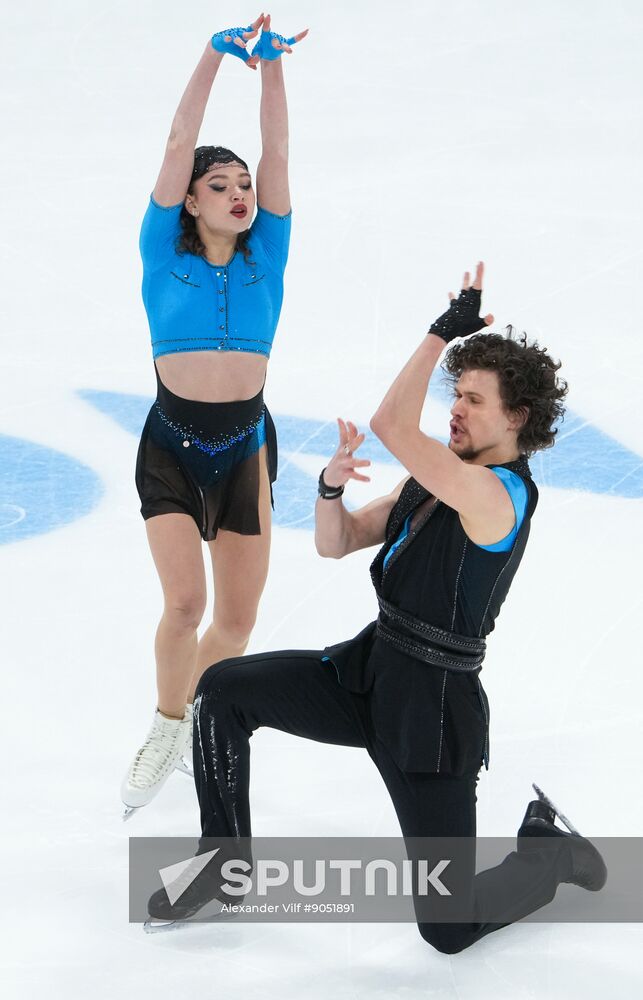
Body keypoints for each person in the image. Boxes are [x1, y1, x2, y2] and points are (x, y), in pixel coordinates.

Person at [147, 262, 606, 950]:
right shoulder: (436, 482)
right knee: (223, 690)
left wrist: (440, 333)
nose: (454, 408)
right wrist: (330, 489)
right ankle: (223, 866)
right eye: (457, 394)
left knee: (447, 928)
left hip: (430, 712)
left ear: (516, 418)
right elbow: (337, 543)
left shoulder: (497, 496)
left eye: (473, 399)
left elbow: (392, 423)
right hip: (369, 674)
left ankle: (548, 854)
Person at [121, 14, 309, 818]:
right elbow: (177, 141)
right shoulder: (161, 253)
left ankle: (194, 714)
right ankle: (167, 729)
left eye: (243, 186)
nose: (239, 194)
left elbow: (278, 152)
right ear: (189, 201)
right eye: (220, 186)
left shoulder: (269, 253)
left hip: (244, 450)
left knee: (234, 622)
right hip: (172, 445)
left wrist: (272, 66)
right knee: (185, 607)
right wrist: (213, 54)